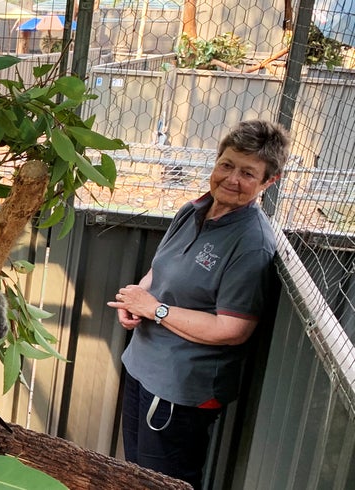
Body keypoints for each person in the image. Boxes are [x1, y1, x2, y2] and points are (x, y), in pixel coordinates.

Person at [107, 119, 290, 489]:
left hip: (183, 389)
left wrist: (154, 309)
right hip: (144, 366)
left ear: (269, 182)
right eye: (227, 164)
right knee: (135, 475)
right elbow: (158, 273)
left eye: (248, 173)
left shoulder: (251, 243)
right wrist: (135, 300)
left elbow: (234, 329)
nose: (232, 179)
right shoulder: (193, 210)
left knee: (166, 483)